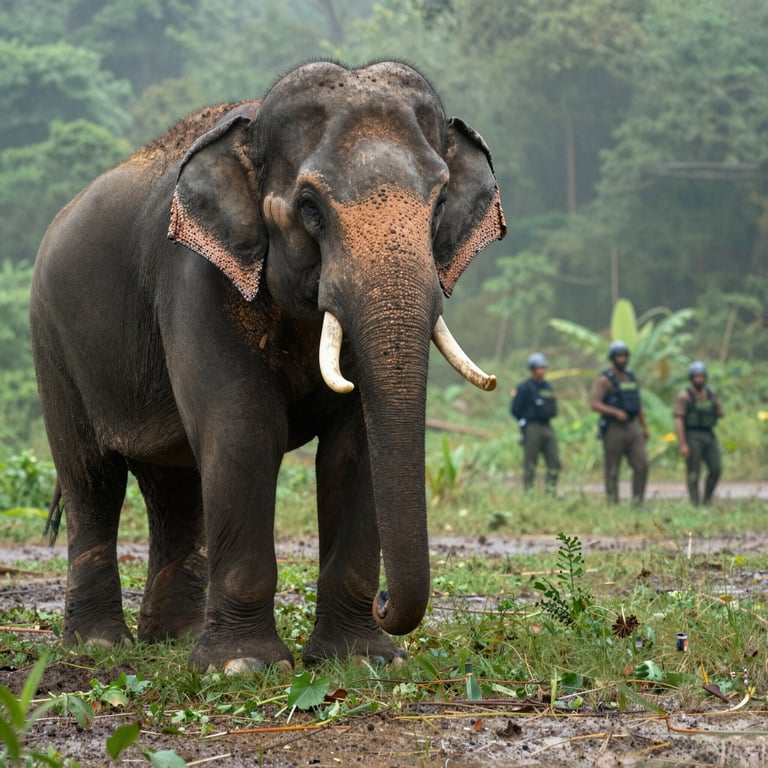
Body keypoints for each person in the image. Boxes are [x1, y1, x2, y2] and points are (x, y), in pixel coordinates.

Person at [589, 341, 649, 504]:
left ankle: (638, 503)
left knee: (642, 464)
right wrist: (615, 412)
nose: (622, 359)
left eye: (624, 356)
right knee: (612, 468)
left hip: (632, 426)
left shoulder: (631, 377)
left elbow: (638, 404)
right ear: (612, 358)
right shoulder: (604, 380)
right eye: (618, 356)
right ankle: (612, 503)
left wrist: (644, 427)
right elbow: (594, 404)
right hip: (613, 428)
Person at [673, 361, 724, 505]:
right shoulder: (685, 396)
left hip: (709, 435)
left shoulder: (710, 394)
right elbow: (678, 419)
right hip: (692, 435)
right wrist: (683, 443)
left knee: (716, 468)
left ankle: (707, 500)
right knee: (694, 472)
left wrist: (713, 407)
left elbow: (720, 412)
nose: (699, 379)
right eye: (696, 377)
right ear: (691, 378)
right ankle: (695, 503)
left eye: (701, 376)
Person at [511, 353, 561, 494]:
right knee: (530, 463)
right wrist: (525, 419)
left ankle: (550, 491)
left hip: (547, 426)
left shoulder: (547, 387)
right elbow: (515, 409)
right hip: (532, 428)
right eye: (539, 368)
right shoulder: (524, 388)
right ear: (532, 369)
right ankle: (528, 492)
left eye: (543, 368)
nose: (542, 371)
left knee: (555, 461)